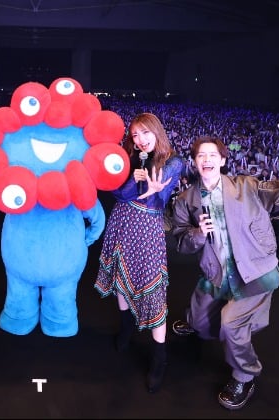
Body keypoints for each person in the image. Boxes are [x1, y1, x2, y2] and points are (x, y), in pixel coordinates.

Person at [169, 132, 279, 410]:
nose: (207, 159)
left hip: (255, 272)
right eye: (201, 155)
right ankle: (195, 323)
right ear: (194, 162)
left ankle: (244, 376)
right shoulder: (186, 199)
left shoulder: (248, 186)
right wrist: (198, 233)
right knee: (199, 322)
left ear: (222, 160)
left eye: (213, 155)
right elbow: (182, 243)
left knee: (231, 324)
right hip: (216, 273)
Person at [94, 112, 184, 393]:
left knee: (152, 288)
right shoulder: (128, 158)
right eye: (135, 135)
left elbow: (156, 199)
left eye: (145, 132)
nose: (141, 139)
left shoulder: (173, 161)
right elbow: (118, 194)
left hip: (147, 230)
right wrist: (134, 180)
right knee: (120, 275)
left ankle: (159, 357)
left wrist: (151, 188)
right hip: (122, 222)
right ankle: (126, 327)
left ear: (157, 132)